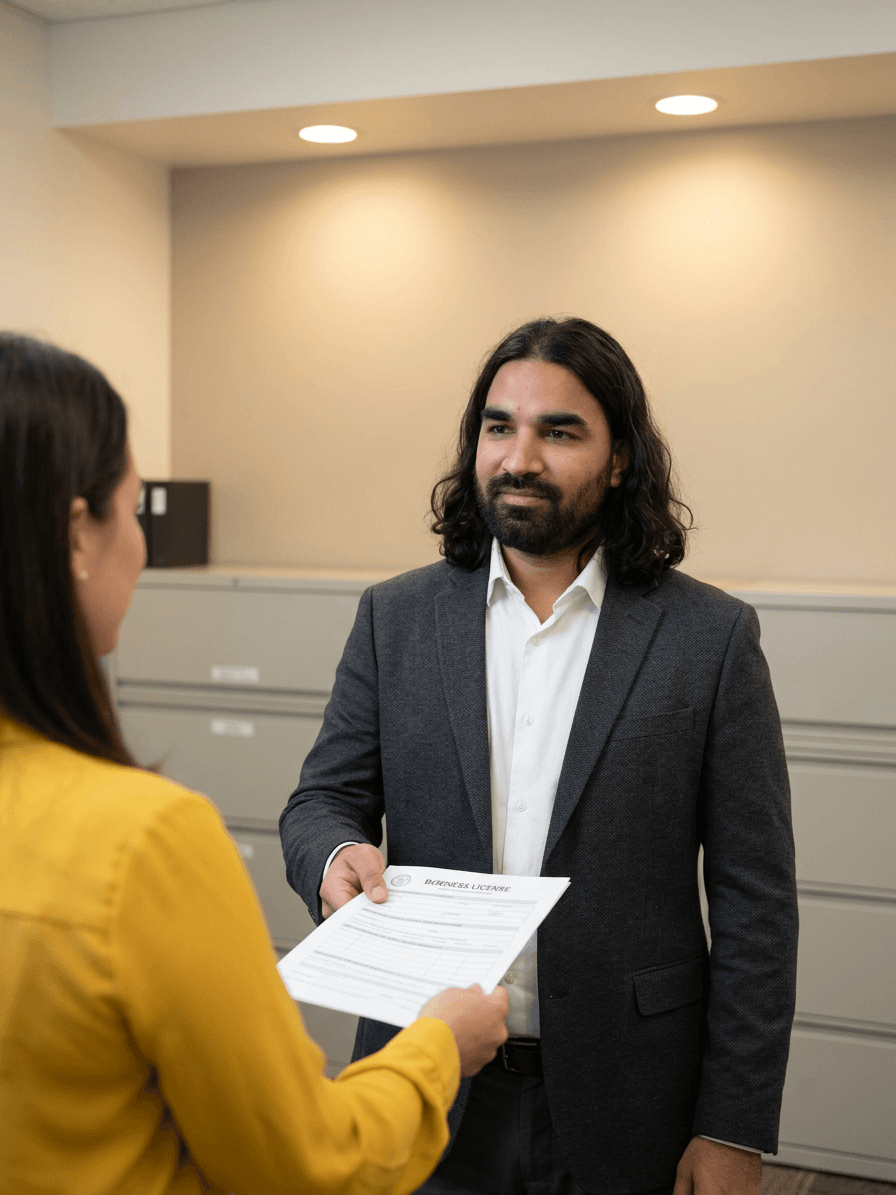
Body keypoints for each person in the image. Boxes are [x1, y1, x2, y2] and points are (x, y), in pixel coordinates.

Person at [280, 317, 799, 1195]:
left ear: (622, 458)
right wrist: (334, 858)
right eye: (498, 426)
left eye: (559, 431)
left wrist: (733, 1125)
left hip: (629, 1094)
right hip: (426, 1076)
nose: (520, 456)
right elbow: (321, 799)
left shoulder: (710, 637)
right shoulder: (394, 617)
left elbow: (756, 898)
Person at [0, 332, 509, 1195]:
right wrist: (437, 1044)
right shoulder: (144, 843)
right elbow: (307, 1163)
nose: (145, 548)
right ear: (76, 535)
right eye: (132, 510)